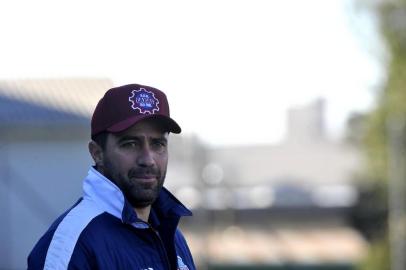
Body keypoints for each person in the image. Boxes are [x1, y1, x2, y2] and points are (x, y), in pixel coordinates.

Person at [27, 84, 195, 270]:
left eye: (158, 144)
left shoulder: (171, 235)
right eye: (130, 144)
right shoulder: (71, 244)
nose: (148, 160)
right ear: (97, 153)